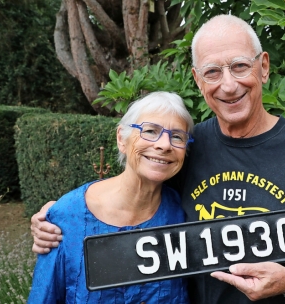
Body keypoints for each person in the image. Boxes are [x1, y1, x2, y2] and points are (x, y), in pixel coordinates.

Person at [30, 15, 285, 304]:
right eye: (212, 72)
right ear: (198, 80)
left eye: (240, 66)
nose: (228, 85)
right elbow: (136, 197)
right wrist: (62, 218)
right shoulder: (186, 148)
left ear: (263, 67)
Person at [27, 92, 193, 303]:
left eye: (177, 136)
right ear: (121, 139)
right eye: (150, 131)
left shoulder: (183, 212)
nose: (165, 145)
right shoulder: (67, 217)